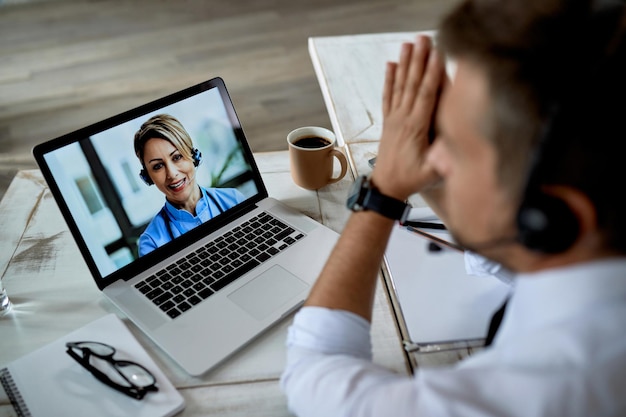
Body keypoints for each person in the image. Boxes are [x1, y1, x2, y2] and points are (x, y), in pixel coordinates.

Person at [280, 0, 626, 415]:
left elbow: (315, 369)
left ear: (551, 216)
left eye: (457, 150)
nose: (436, 158)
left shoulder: (547, 390)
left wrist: (384, 190)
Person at [134, 114, 245, 256]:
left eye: (177, 157)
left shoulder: (233, 199)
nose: (172, 174)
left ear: (194, 156)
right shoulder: (151, 243)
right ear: (148, 177)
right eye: (158, 166)